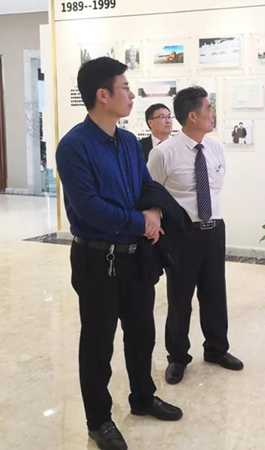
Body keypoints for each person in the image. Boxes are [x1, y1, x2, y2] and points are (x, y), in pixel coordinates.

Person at [56, 57, 182, 450]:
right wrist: (140, 221)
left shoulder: (128, 141)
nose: (131, 95)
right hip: (97, 259)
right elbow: (89, 208)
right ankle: (99, 420)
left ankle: (143, 397)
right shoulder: (74, 146)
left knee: (142, 333)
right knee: (98, 343)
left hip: (135, 255)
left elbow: (146, 186)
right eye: (125, 88)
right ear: (103, 95)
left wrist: (155, 211)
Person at [147, 86, 244, 385]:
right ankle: (177, 357)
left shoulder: (215, 149)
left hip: (214, 229)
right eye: (208, 108)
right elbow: (151, 193)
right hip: (182, 233)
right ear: (192, 115)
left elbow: (216, 187)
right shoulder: (163, 153)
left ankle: (216, 349)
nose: (212, 114)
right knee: (180, 297)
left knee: (215, 292)